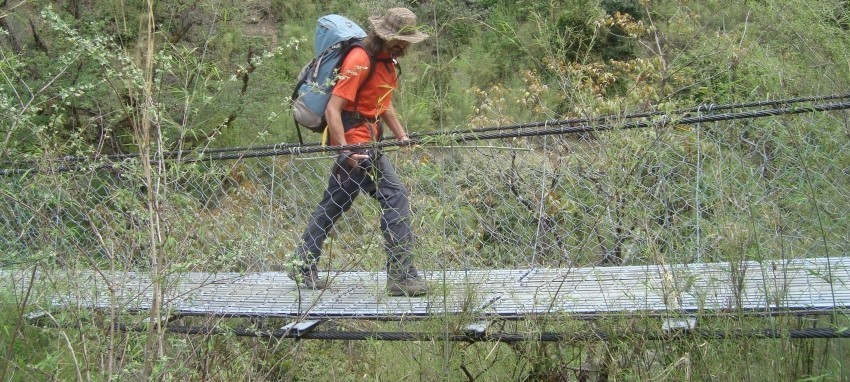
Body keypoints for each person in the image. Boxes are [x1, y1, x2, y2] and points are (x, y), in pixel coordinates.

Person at [288, 8, 430, 296]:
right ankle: (401, 275)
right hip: (355, 142)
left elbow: (382, 103)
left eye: (406, 42)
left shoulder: (386, 61)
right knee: (393, 195)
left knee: (335, 202)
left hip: (369, 141)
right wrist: (346, 151)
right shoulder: (360, 58)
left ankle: (302, 263)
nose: (403, 47)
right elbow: (333, 108)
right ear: (383, 35)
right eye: (398, 41)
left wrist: (401, 134)